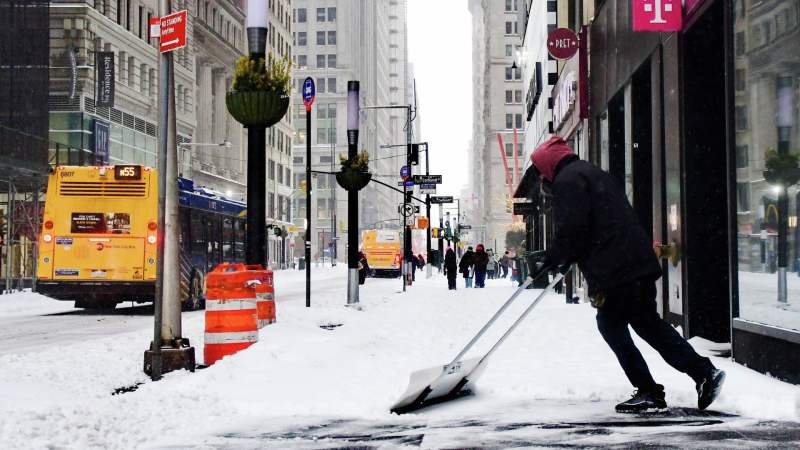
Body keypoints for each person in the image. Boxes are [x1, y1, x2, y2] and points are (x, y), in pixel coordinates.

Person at [526, 136, 725, 414]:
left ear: (548, 164)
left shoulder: (567, 181)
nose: (540, 177)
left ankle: (665, 386)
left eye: (539, 169)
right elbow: (595, 224)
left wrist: (552, 256)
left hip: (617, 271)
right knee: (644, 325)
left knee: (618, 326)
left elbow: (573, 229)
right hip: (633, 264)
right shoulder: (593, 173)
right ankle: (695, 375)